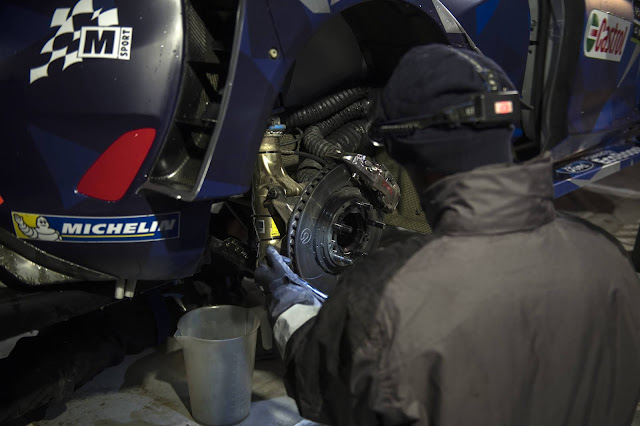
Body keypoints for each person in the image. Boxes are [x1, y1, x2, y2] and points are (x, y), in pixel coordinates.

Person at [255, 44, 640, 426]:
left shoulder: (386, 296)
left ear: (407, 154)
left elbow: (317, 385)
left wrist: (291, 305)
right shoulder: (609, 260)